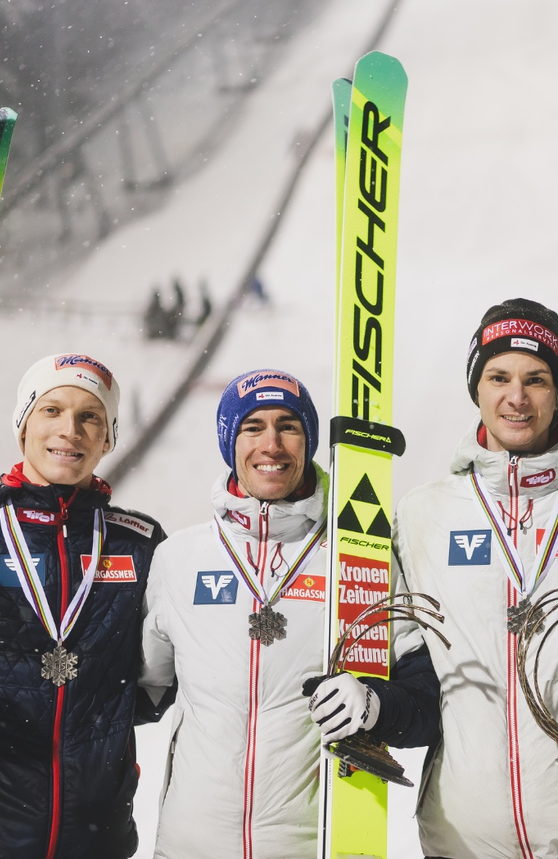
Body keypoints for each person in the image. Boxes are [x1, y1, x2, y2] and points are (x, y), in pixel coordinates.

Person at [307, 299, 558, 859]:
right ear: (476, 388)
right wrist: (373, 704)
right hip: (461, 841)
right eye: (498, 377)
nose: (516, 398)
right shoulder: (424, 516)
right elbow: (425, 689)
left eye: (535, 379)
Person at [141, 368, 436, 859]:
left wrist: (376, 705)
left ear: (309, 440)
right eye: (253, 427)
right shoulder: (178, 559)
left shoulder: (359, 556)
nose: (271, 444)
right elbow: (139, 691)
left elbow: (425, 702)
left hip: (310, 845)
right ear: (230, 442)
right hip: (188, 844)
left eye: (289, 426)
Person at [0, 353, 167, 858]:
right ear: (23, 425)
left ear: (107, 438)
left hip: (98, 834)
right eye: (51, 410)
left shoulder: (140, 542)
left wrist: (112, 712)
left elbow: (175, 660)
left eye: (89, 416)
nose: (69, 431)